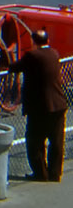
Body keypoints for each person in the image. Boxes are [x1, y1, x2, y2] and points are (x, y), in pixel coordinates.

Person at [9, 30, 69, 181]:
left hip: (39, 106)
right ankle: (55, 174)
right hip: (58, 103)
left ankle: (40, 173)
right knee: (56, 141)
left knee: (34, 141)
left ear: (33, 42)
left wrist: (7, 57)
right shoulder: (54, 53)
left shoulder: (32, 56)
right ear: (47, 41)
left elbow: (15, 67)